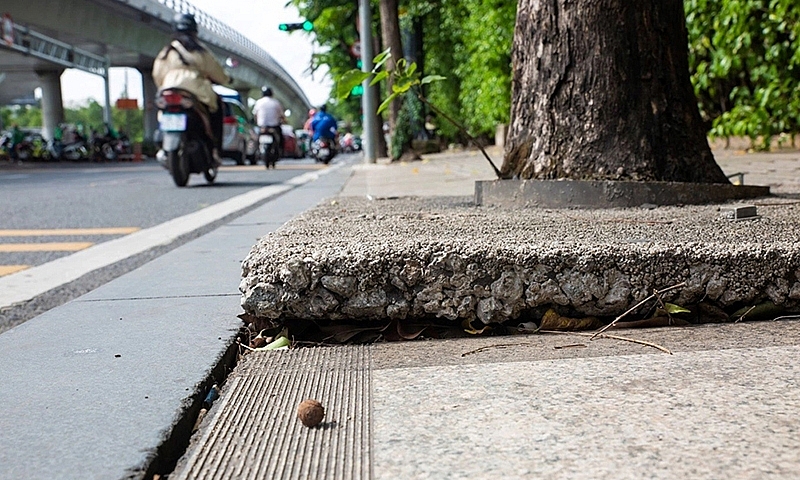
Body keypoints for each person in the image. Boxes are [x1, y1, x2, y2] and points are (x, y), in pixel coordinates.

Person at [152, 13, 231, 163]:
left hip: (168, 89)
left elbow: (157, 74)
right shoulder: (200, 50)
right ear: (195, 31)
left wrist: (164, 86)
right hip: (196, 90)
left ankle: (163, 149)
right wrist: (226, 79)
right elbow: (216, 71)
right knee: (216, 109)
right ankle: (215, 149)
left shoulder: (167, 51)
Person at [252, 86, 285, 150]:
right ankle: (281, 150)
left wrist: (257, 122)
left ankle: (255, 150)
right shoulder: (276, 102)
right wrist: (283, 120)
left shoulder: (258, 102)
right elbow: (281, 115)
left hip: (261, 126)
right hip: (274, 126)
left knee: (255, 137)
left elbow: (255, 114)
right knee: (281, 137)